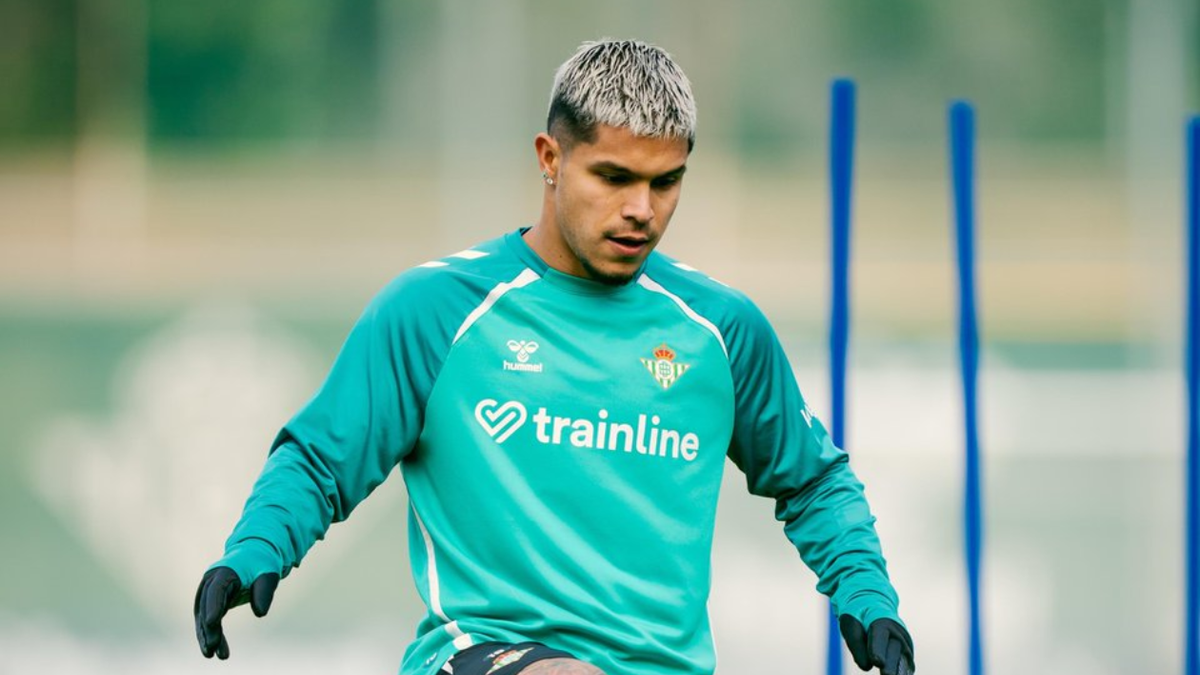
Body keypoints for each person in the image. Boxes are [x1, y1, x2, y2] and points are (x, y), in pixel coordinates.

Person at [193, 39, 916, 675]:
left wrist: (867, 596)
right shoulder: (436, 310)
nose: (642, 209)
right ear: (550, 159)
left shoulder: (721, 329)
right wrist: (255, 548)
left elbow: (814, 481)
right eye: (614, 177)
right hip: (479, 655)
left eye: (666, 182)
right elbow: (321, 460)